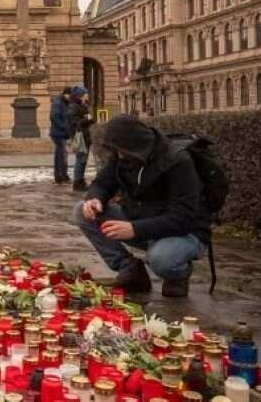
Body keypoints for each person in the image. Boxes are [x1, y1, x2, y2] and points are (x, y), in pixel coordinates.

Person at [72, 114, 210, 297]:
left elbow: (183, 217)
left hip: (185, 232)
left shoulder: (177, 161)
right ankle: (130, 269)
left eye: (122, 151)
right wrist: (95, 198)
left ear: (136, 145)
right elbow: (103, 182)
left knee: (161, 259)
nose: (119, 156)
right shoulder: (124, 156)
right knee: (82, 212)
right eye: (117, 151)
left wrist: (135, 229)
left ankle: (178, 275)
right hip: (141, 221)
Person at [67, 85, 94, 191]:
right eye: (85, 93)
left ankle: (80, 181)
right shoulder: (74, 106)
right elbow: (74, 122)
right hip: (79, 137)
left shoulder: (82, 105)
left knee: (83, 159)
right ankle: (78, 182)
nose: (87, 95)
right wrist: (86, 119)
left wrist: (89, 119)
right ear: (80, 95)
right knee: (81, 159)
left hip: (84, 136)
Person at [49, 87, 72, 184]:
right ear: (66, 94)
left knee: (63, 155)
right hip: (58, 133)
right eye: (70, 95)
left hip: (63, 133)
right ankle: (60, 176)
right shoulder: (58, 102)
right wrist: (64, 127)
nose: (71, 98)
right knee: (61, 155)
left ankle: (63, 175)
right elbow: (54, 117)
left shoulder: (65, 102)